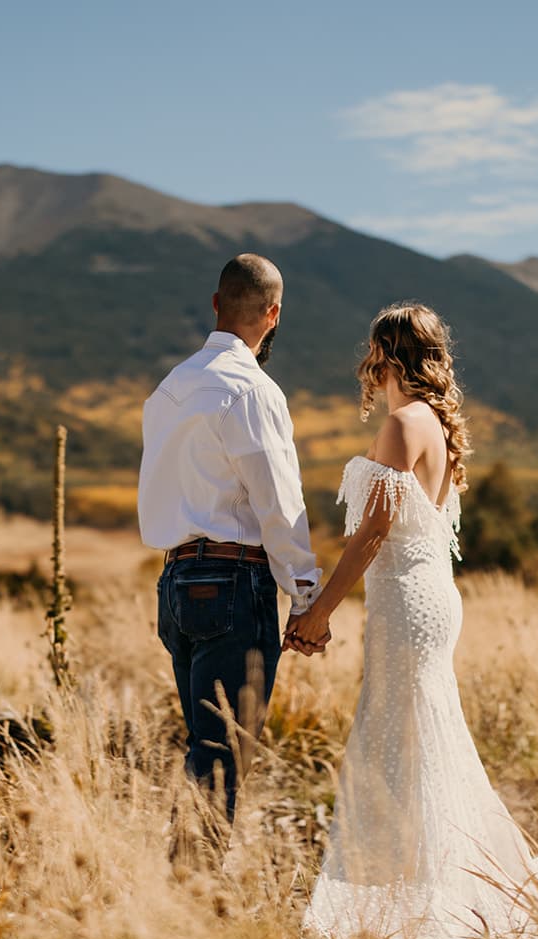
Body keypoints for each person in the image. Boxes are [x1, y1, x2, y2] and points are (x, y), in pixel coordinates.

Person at [292, 303, 538, 939]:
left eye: (374, 351)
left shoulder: (400, 424)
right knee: (423, 740)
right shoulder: (438, 425)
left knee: (394, 742)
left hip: (408, 603)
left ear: (385, 354)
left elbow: (373, 534)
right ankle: (419, 885)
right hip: (435, 598)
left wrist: (318, 610)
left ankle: (420, 897)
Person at [138, 253, 326, 829]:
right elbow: (278, 504)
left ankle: (188, 880)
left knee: (205, 742)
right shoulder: (253, 391)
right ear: (273, 315)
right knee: (223, 753)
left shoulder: (168, 391)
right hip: (233, 585)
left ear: (216, 304)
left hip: (175, 582)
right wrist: (307, 597)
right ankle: (193, 886)